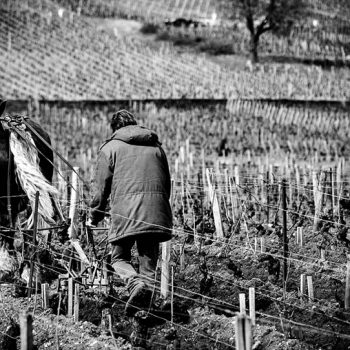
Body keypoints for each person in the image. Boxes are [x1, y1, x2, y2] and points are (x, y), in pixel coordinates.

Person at [87, 110, 172, 316]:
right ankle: (147, 310)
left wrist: (94, 215)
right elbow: (166, 183)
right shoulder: (157, 148)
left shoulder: (111, 148)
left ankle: (134, 284)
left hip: (125, 214)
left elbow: (101, 189)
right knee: (148, 263)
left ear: (115, 128)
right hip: (155, 213)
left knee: (118, 258)